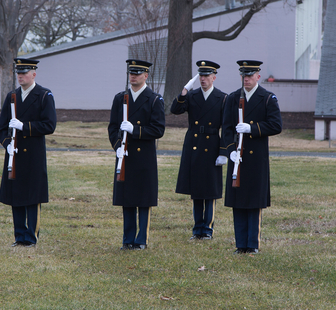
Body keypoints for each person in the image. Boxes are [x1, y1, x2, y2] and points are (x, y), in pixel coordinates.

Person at [220, 60, 282, 254]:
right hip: (236, 157)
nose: (246, 79)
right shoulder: (232, 98)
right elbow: (227, 127)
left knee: (253, 201)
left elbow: (275, 125)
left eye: (250, 76)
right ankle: (240, 244)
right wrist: (229, 149)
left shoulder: (267, 98)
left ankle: (252, 244)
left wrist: (252, 128)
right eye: (244, 76)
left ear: (258, 76)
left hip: (256, 157)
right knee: (238, 200)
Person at [0, 58, 57, 247]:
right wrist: (7, 143)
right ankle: (19, 236)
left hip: (33, 154)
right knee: (16, 196)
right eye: (18, 73)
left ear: (34, 74)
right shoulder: (12, 96)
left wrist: (25, 126)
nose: (20, 76)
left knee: (32, 196)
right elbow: (1, 128)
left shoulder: (44, 95)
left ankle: (31, 236)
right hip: (14, 154)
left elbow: (49, 125)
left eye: (24, 73)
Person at [108, 59, 165, 250]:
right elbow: (113, 127)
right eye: (131, 73)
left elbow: (158, 130)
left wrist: (135, 130)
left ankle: (141, 239)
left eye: (138, 73)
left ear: (146, 76)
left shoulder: (154, 99)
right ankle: (128, 238)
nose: (133, 76)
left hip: (144, 157)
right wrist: (117, 145)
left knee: (143, 198)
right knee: (127, 198)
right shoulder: (120, 98)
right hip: (125, 154)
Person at [171, 60, 228, 241]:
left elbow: (227, 127)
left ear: (214, 77)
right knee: (196, 190)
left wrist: (224, 152)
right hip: (193, 144)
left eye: (207, 76)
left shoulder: (222, 98)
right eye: (201, 76)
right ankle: (197, 229)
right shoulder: (192, 95)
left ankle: (208, 229)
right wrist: (183, 92)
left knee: (209, 190)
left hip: (212, 145)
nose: (203, 79)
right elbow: (175, 110)